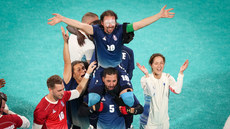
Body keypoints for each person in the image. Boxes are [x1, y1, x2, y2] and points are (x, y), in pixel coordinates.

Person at [47, 5, 175, 110]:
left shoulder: (122, 29)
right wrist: (62, 18)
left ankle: (128, 125)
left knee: (129, 99)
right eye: (107, 22)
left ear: (116, 21)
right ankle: (92, 127)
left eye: (112, 22)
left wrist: (159, 15)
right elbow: (80, 25)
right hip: (100, 69)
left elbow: (140, 24)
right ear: (102, 23)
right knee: (92, 100)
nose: (110, 25)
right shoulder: (96, 30)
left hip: (117, 68)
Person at [32, 61, 96, 129]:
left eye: (63, 89)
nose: (62, 93)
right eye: (59, 91)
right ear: (50, 90)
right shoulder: (42, 109)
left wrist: (87, 74)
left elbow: (78, 91)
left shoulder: (63, 96)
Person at [137, 53, 189, 129]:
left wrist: (181, 73)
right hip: (149, 123)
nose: (159, 66)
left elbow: (177, 90)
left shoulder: (167, 77)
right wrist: (147, 75)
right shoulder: (144, 79)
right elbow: (152, 92)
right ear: (151, 65)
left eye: (161, 63)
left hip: (164, 122)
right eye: (156, 63)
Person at [61, 26, 94, 129]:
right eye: (78, 69)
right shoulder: (70, 83)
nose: (83, 70)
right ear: (73, 74)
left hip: (90, 128)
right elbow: (67, 62)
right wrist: (65, 43)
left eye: (83, 68)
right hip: (74, 128)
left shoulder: (92, 82)